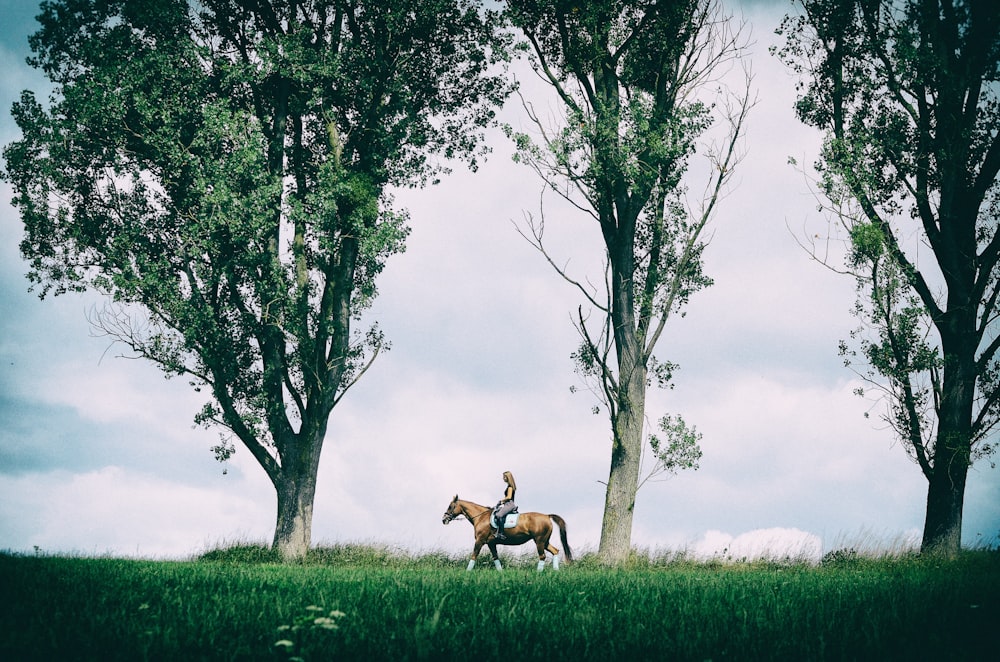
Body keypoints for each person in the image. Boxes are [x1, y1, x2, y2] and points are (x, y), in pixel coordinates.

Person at [493, 471, 517, 540]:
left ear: (507, 477)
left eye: (504, 477)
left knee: (498, 515)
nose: (503, 478)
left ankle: (501, 533)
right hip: (507, 504)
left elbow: (509, 497)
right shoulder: (509, 486)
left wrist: (501, 501)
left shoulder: (510, 487)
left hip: (509, 504)